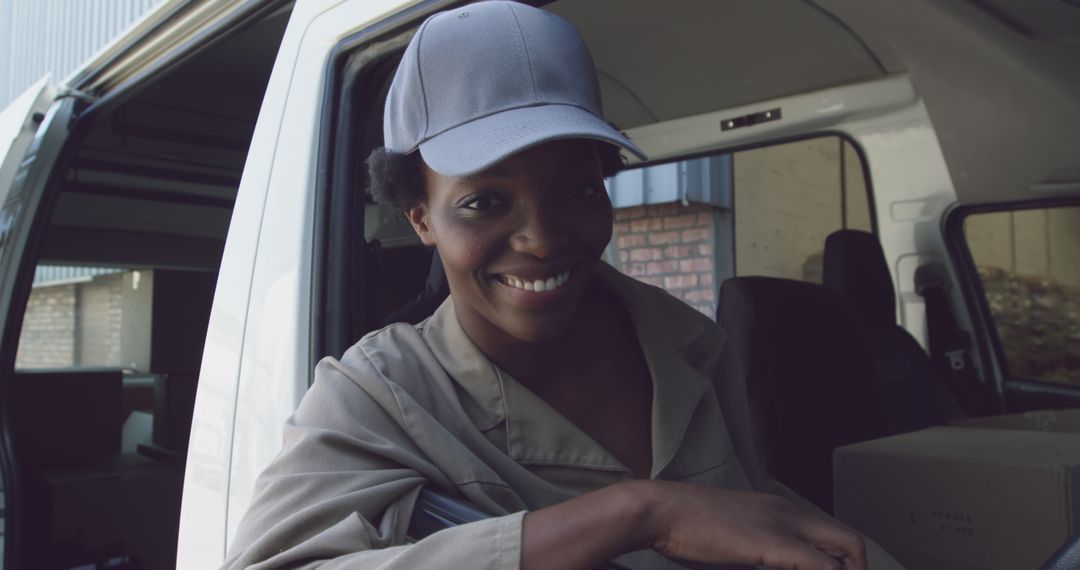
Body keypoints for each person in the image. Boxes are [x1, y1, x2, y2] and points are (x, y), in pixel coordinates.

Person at [223, 2, 903, 569]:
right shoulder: (379, 394)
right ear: (421, 216)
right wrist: (640, 513)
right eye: (484, 202)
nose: (543, 239)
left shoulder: (690, 346)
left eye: (577, 188)